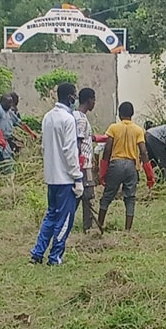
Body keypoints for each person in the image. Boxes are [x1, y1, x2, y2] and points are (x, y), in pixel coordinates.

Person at [29, 83, 83, 266]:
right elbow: (70, 151)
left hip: (51, 177)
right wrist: (77, 177)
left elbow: (44, 146)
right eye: (74, 95)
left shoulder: (48, 117)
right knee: (65, 220)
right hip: (65, 178)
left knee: (51, 216)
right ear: (69, 97)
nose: (75, 99)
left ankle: (37, 253)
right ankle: (55, 257)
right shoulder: (68, 119)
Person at [100, 102, 146, 232]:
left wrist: (103, 171)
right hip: (131, 165)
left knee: (107, 195)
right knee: (130, 197)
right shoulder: (138, 130)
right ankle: (128, 230)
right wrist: (149, 174)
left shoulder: (113, 128)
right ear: (132, 114)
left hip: (116, 164)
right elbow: (143, 151)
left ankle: (99, 225)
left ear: (120, 114)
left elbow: (107, 149)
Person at [74, 88, 99, 233]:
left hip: (82, 162)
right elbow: (78, 143)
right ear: (89, 100)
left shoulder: (77, 116)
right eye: (94, 99)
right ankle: (88, 226)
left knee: (81, 192)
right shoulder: (81, 119)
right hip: (83, 164)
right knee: (88, 193)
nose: (94, 103)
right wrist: (80, 163)